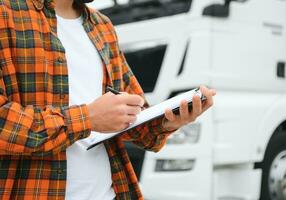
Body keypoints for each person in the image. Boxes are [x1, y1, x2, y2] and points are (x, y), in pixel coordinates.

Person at [0, 0, 216, 199]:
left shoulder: (102, 25)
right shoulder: (5, 14)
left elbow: (131, 114)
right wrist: (87, 119)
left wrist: (168, 121)